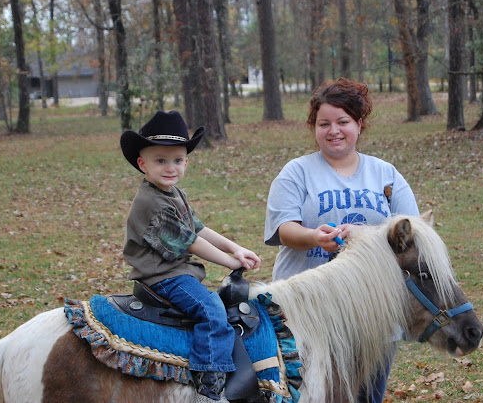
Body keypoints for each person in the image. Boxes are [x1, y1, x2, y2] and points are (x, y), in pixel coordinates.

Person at [264, 78, 419, 403]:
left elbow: (413, 234)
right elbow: (283, 229)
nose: (334, 130)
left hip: (372, 314)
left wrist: (368, 235)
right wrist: (314, 237)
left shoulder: (386, 174)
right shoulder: (297, 172)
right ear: (314, 127)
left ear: (359, 124)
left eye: (343, 122)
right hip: (306, 311)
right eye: (324, 124)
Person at [120, 110, 261, 403]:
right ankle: (209, 384)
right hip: (163, 275)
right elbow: (192, 242)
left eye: (177, 160)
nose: (170, 167)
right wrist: (229, 262)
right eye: (160, 160)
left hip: (177, 269)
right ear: (142, 164)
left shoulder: (173, 192)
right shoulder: (151, 202)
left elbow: (199, 228)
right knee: (211, 310)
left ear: (186, 161)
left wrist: (235, 248)